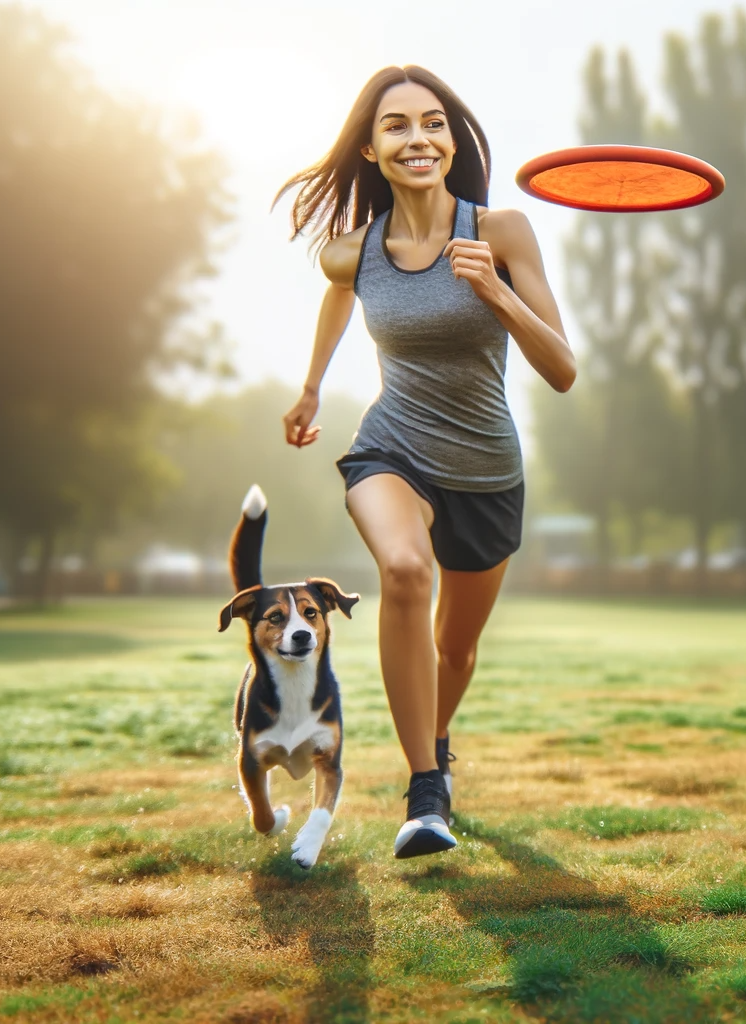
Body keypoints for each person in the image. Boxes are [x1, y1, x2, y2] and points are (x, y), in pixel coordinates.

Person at [274, 66, 574, 858]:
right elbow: (343, 289)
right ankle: (424, 791)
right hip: (392, 445)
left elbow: (564, 368)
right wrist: (311, 387)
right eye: (398, 126)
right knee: (404, 570)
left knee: (457, 648)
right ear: (371, 150)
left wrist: (499, 294)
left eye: (433, 123)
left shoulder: (500, 230)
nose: (419, 139)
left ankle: (434, 744)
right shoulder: (354, 251)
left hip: (485, 469)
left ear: (451, 139)